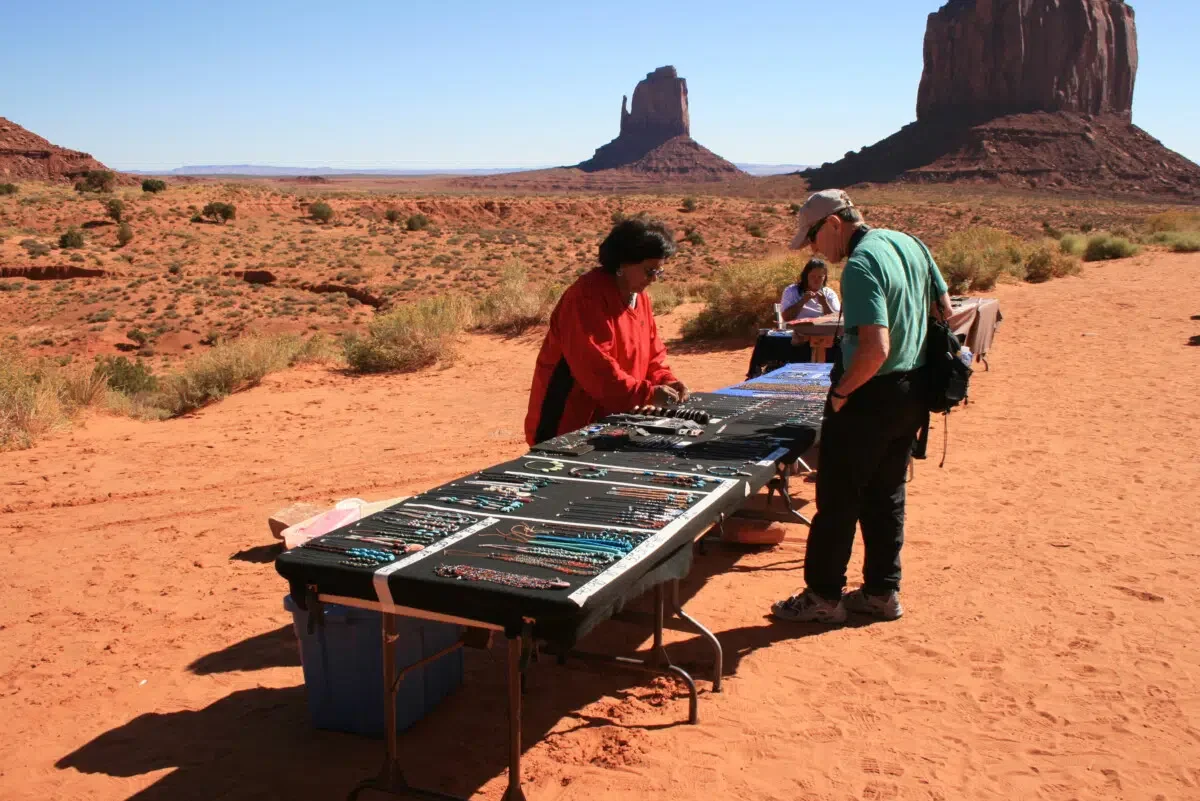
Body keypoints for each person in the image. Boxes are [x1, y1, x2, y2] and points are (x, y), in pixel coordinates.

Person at [770, 189, 953, 624]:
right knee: (886, 493)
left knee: (837, 498)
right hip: (912, 393)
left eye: (814, 237)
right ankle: (881, 593)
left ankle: (823, 597)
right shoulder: (910, 242)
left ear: (834, 224)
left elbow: (874, 349)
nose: (815, 249)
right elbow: (944, 310)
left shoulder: (862, 263)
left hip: (869, 395)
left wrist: (840, 395)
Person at [524, 217, 689, 445]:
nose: (653, 279)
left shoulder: (639, 298)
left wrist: (666, 380)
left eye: (658, 273)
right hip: (569, 422)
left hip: (617, 417)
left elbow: (653, 355)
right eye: (649, 271)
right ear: (622, 264)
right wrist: (648, 395)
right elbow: (597, 368)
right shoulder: (587, 297)